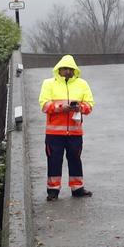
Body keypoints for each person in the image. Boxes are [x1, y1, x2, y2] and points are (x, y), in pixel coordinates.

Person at [38, 55, 95, 199]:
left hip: (75, 132)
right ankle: (53, 191)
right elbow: (44, 105)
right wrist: (60, 108)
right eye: (65, 69)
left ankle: (77, 188)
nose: (68, 72)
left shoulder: (82, 84)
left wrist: (80, 107)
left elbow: (89, 105)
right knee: (54, 160)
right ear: (59, 69)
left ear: (75, 70)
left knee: (75, 159)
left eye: (70, 69)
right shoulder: (48, 84)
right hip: (54, 133)